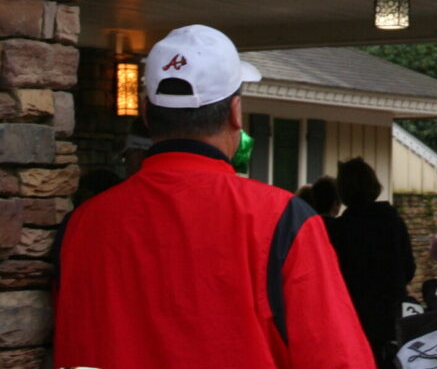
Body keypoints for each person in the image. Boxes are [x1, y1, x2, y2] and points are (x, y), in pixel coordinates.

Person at [53, 25, 372, 368]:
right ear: (235, 112)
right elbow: (338, 359)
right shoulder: (283, 219)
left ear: (146, 113)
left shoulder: (82, 224)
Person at [328, 157, 415, 368]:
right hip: (392, 315)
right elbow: (409, 268)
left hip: (355, 317)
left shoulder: (340, 229)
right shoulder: (393, 221)